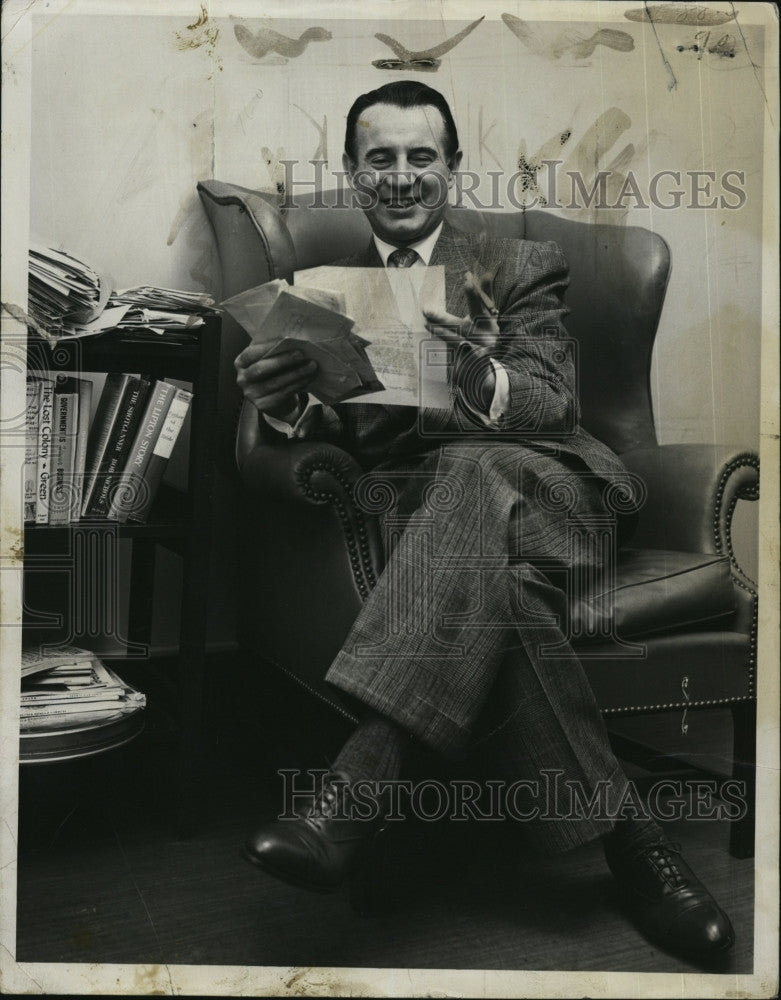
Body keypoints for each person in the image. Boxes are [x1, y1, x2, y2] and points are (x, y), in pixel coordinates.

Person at [234, 80, 735, 960]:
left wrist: (480, 371)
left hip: (553, 495)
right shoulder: (323, 290)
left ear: (451, 168)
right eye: (378, 158)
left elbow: (549, 400)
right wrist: (281, 407)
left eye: (419, 157)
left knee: (471, 464)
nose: (400, 177)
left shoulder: (518, 263)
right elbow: (331, 422)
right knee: (502, 596)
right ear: (353, 173)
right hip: (434, 539)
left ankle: (358, 792)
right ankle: (635, 844)